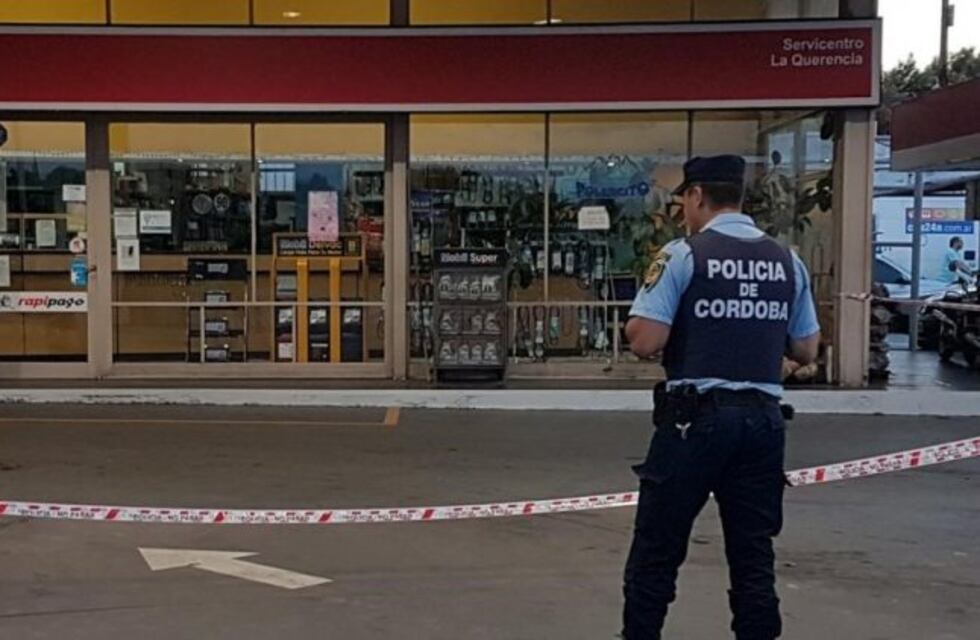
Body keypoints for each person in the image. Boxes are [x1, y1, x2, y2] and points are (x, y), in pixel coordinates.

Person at [621, 155, 820, 640]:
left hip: (694, 423)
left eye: (684, 201)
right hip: (763, 425)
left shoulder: (683, 255)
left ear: (696, 196)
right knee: (753, 556)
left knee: (657, 550)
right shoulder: (787, 260)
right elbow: (806, 348)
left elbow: (645, 340)